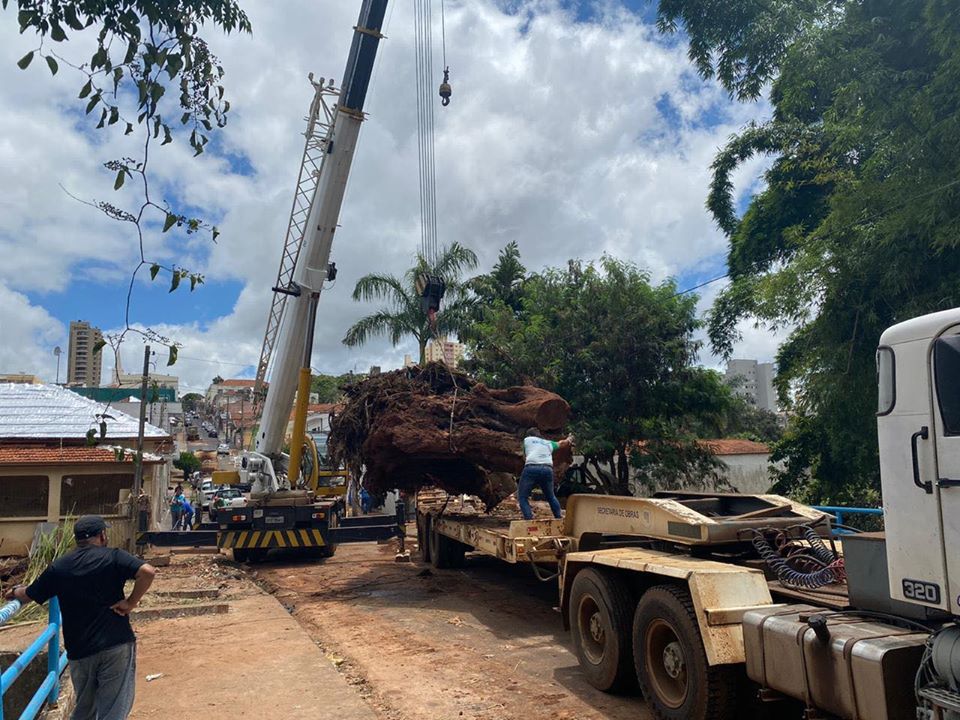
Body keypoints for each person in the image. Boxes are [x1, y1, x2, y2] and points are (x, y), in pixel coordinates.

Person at [4, 516, 156, 720]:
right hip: (116, 644)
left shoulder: (60, 567)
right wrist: (131, 603)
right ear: (102, 535)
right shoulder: (114, 557)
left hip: (80, 650)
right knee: (113, 711)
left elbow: (29, 594)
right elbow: (147, 572)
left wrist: (15, 591)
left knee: (85, 709)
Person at [518, 428, 573, 521]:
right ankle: (559, 518)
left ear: (529, 435)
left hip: (531, 468)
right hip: (547, 469)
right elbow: (562, 443)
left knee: (523, 497)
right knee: (551, 496)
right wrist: (569, 439)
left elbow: (524, 456)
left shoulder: (527, 440)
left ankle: (529, 520)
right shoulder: (548, 443)